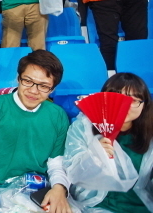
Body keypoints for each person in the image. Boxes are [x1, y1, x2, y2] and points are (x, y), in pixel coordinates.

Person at [0, 50, 71, 213]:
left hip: (36, 191)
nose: (33, 90)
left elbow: (56, 162)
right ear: (18, 78)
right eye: (28, 81)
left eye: (43, 86)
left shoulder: (57, 115)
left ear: (52, 89)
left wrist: (59, 188)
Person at [64, 73, 153, 212]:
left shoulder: (150, 134)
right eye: (118, 99)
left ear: (144, 105)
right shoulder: (83, 127)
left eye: (134, 100)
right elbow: (73, 173)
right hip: (93, 205)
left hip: (139, 206)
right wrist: (93, 155)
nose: (125, 106)